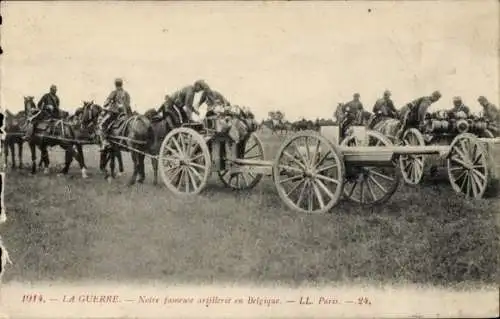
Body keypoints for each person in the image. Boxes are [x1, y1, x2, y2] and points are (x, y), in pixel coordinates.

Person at [98, 78, 132, 151]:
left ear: (115, 84)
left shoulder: (114, 92)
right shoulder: (126, 93)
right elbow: (128, 103)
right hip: (126, 113)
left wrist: (107, 103)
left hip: (115, 113)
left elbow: (106, 102)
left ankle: (105, 142)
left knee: (102, 125)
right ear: (122, 84)